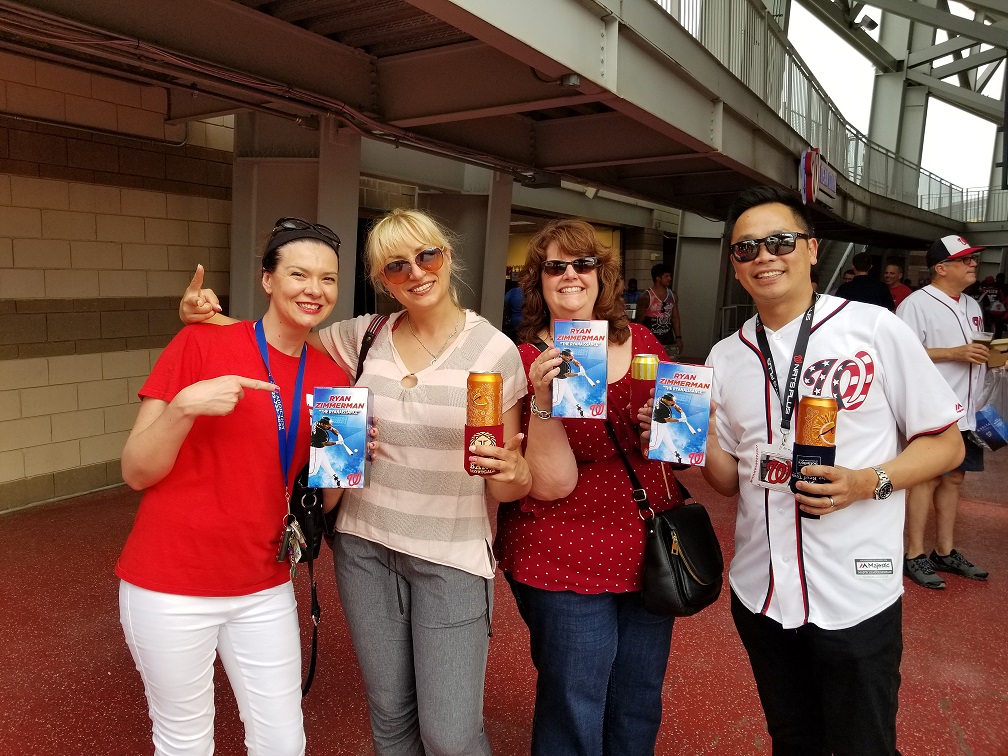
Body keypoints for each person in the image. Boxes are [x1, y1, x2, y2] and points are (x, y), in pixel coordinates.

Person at [181, 208, 531, 756]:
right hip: (363, 549)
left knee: (451, 734)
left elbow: (505, 486)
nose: (416, 272)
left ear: (447, 256)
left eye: (427, 255)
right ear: (381, 281)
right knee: (391, 720)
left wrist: (516, 472)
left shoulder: (494, 352)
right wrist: (204, 319)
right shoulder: (364, 337)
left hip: (451, 559)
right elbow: (277, 339)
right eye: (396, 266)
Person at [702, 186, 965, 755]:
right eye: (747, 249)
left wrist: (870, 481)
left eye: (780, 241)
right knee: (793, 741)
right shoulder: (725, 356)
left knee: (862, 745)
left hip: (855, 590)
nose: (764, 257)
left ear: (812, 248)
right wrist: (693, 436)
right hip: (762, 594)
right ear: (735, 266)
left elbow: (946, 445)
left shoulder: (873, 330)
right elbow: (726, 482)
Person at [117, 218, 357, 755]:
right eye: (298, 274)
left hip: (264, 583)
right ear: (268, 280)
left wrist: (345, 459)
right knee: (185, 740)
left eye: (328, 279)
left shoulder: (331, 378)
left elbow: (326, 500)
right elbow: (136, 470)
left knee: (283, 741)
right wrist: (184, 407)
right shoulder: (199, 341)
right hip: (170, 583)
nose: (313, 290)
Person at [495, 219, 683, 755]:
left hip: (647, 543)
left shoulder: (642, 341)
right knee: (574, 698)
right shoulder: (524, 360)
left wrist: (666, 427)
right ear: (539, 281)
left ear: (603, 276)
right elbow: (550, 481)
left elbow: (676, 451)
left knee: (639, 696)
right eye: (555, 266)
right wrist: (542, 399)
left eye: (583, 265)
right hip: (562, 546)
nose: (571, 275)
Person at [896, 235, 990, 589]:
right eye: (964, 259)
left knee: (954, 478)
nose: (972, 263)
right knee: (927, 477)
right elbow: (900, 354)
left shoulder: (973, 305)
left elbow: (973, 351)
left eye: (972, 259)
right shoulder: (916, 304)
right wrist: (954, 353)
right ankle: (914, 555)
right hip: (933, 408)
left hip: (969, 408)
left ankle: (945, 551)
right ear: (941, 267)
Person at [634, 263, 683, 356]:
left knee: (670, 367)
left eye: (670, 276)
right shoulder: (646, 297)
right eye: (666, 276)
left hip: (668, 340)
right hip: (650, 340)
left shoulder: (673, 296)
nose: (670, 278)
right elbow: (639, 321)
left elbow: (675, 318)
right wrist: (639, 341)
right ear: (658, 278)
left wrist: (678, 338)